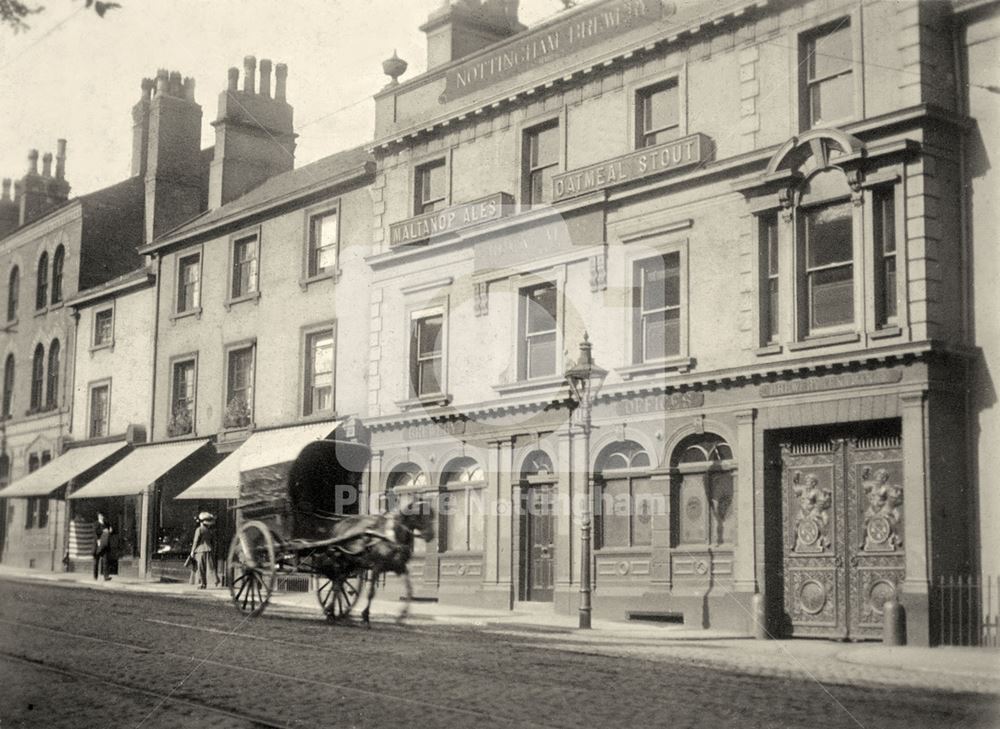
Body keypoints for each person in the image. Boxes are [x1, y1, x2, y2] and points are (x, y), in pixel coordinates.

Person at [190, 512, 219, 589]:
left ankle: (202, 584)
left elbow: (196, 541)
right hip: (209, 550)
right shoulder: (210, 531)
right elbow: (213, 541)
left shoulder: (199, 530)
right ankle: (215, 580)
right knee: (210, 567)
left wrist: (192, 551)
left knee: (200, 568)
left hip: (200, 550)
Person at [93, 512, 113, 581]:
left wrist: (110, 529)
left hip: (105, 544)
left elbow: (110, 530)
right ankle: (95, 576)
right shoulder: (96, 523)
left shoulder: (106, 523)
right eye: (101, 515)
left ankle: (106, 576)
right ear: (98, 516)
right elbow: (96, 532)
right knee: (96, 561)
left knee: (105, 561)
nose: (102, 517)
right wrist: (103, 531)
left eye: (103, 515)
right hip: (98, 544)